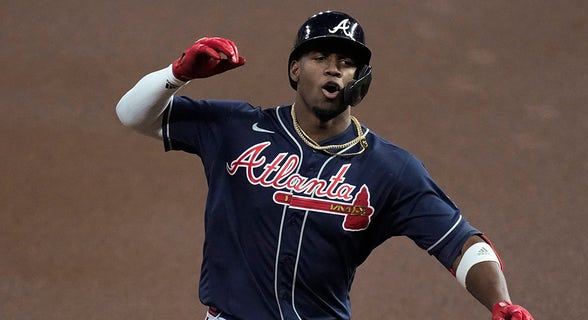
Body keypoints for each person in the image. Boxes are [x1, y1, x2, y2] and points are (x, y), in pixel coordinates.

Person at [116, 10, 534, 320]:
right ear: (296, 69)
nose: (333, 67)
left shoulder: (390, 168)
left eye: (347, 61)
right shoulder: (237, 128)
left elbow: (462, 243)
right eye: (320, 56)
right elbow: (132, 115)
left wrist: (500, 301)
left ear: (360, 79)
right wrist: (176, 74)